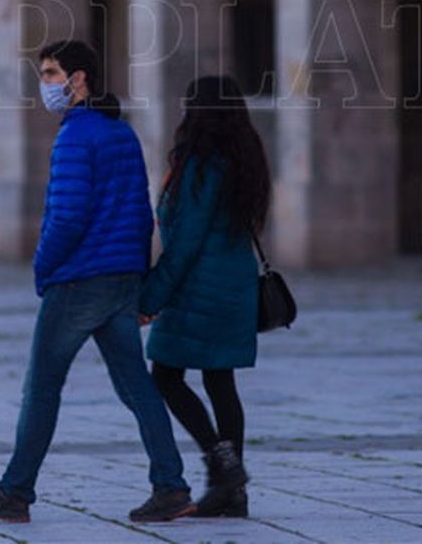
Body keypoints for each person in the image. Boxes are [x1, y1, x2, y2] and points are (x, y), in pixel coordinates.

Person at [0, 40, 194, 524]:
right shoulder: (121, 133)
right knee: (136, 387)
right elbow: (140, 214)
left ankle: (15, 491)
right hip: (121, 278)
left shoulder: (74, 137)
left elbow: (65, 218)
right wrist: (137, 276)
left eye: (49, 74)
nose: (43, 85)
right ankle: (170, 486)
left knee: (42, 387)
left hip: (79, 280)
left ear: (79, 78)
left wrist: (44, 268)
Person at [138, 74, 269, 518]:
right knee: (220, 381)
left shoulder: (200, 165)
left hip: (199, 288)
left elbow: (186, 242)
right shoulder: (244, 160)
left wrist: (150, 297)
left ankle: (223, 464)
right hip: (234, 286)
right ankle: (233, 495)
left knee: (166, 377)